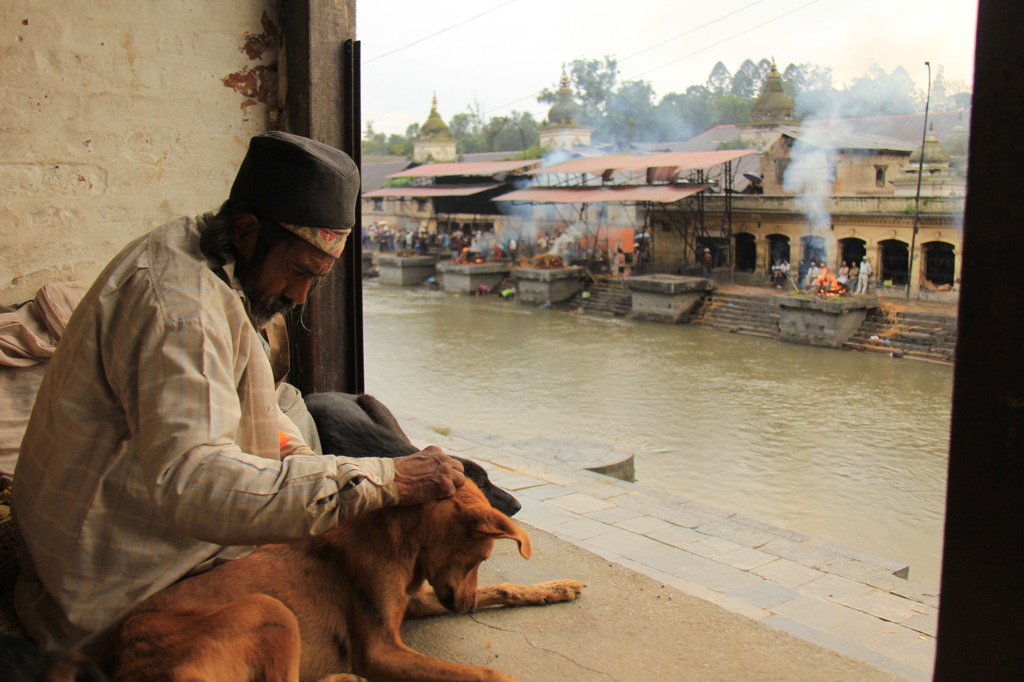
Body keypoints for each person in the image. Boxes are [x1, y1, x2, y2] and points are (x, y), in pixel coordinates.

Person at [12, 132, 466, 653]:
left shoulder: (208, 253)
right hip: (108, 589)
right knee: (335, 587)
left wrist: (298, 457)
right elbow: (194, 482)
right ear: (249, 231)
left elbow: (252, 401)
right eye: (298, 271)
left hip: (107, 542)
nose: (299, 296)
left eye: (315, 279)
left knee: (306, 433)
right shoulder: (181, 312)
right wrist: (384, 477)